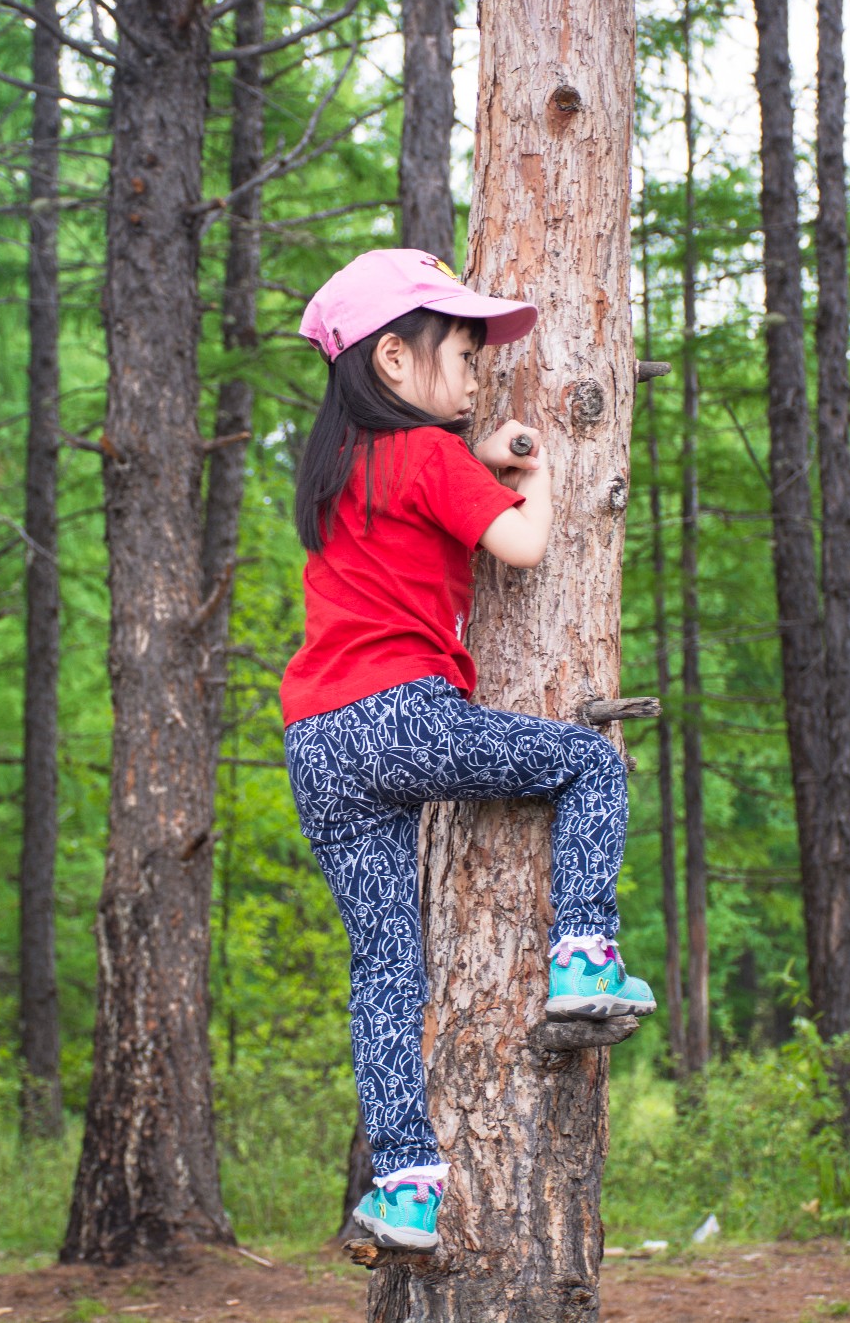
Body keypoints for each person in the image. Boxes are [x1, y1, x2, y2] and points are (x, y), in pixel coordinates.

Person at [281, 249, 655, 1252]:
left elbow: (410, 517)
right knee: (586, 764)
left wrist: (475, 462)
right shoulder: (429, 456)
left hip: (318, 743)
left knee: (383, 970)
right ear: (392, 362)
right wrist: (533, 475)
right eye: (459, 352)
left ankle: (403, 1181)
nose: (475, 373)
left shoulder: (336, 474)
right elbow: (522, 548)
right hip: (402, 714)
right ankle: (582, 954)